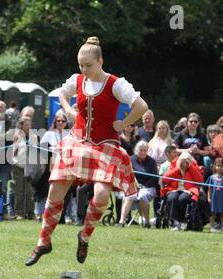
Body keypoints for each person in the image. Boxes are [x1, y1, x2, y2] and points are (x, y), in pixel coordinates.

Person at [26, 36, 148, 266]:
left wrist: (124, 123)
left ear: (100, 61)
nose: (84, 69)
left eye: (88, 65)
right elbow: (63, 94)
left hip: (105, 145)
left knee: (102, 196)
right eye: (81, 65)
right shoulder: (77, 79)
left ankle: (84, 235)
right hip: (77, 142)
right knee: (54, 192)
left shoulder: (116, 84)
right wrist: (68, 112)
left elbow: (141, 106)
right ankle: (44, 242)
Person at [118, 141, 158, 228]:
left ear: (147, 151)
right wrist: (135, 185)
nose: (142, 152)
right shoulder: (131, 159)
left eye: (145, 150)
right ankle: (121, 222)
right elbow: (126, 174)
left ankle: (147, 222)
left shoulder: (152, 162)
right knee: (129, 196)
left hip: (148, 187)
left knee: (143, 195)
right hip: (132, 185)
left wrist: (142, 187)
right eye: (141, 150)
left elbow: (154, 178)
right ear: (136, 150)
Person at [162, 152, 204, 231]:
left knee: (183, 199)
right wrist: (178, 168)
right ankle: (174, 222)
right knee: (172, 198)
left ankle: (182, 221)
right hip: (174, 189)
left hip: (188, 190)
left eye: (186, 162)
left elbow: (200, 181)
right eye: (183, 162)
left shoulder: (194, 167)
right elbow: (165, 179)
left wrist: (191, 167)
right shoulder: (174, 165)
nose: (184, 164)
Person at [11, 117, 36, 220]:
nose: (28, 126)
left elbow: (36, 151)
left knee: (30, 191)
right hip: (18, 166)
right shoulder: (17, 136)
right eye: (26, 125)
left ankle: (31, 213)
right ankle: (19, 213)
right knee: (19, 190)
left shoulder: (33, 136)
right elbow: (13, 152)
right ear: (21, 125)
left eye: (29, 124)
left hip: (29, 166)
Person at [207, 158, 223, 233]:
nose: (219, 168)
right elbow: (210, 188)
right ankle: (212, 227)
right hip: (214, 197)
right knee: (212, 212)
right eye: (218, 166)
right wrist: (208, 197)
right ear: (214, 166)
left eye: (221, 166)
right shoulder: (211, 177)